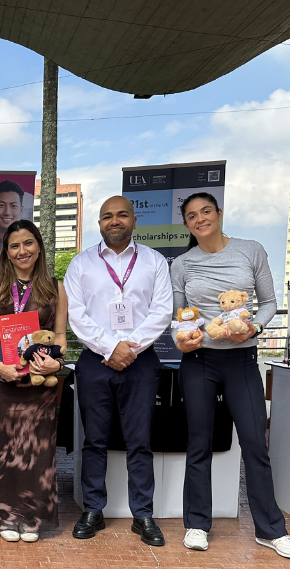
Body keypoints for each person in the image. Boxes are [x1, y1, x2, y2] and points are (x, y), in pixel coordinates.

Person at [171, 192, 290, 559]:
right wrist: (181, 341)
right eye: (192, 215)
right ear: (186, 224)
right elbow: (179, 317)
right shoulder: (182, 264)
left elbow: (269, 304)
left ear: (218, 213)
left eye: (206, 212)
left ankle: (271, 530)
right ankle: (197, 524)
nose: (200, 219)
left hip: (242, 361)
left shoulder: (250, 250)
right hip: (199, 361)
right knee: (199, 443)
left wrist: (255, 330)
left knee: (255, 444)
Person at [64, 196, 172, 547]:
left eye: (122, 214)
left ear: (134, 220)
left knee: (140, 441)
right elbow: (76, 314)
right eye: (107, 216)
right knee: (94, 441)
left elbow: (162, 311)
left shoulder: (154, 261)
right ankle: (93, 509)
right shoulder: (81, 264)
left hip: (141, 362)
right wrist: (111, 348)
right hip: (95, 362)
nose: (115, 221)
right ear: (99, 224)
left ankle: (143, 515)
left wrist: (131, 346)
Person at [0, 220, 68, 542]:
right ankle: (4, 517)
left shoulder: (55, 286)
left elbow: (59, 333)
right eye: (14, 245)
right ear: (6, 252)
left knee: (36, 452)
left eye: (28, 243)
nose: (22, 250)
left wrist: (57, 359)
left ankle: (31, 519)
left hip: (37, 384)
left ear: (39, 247)